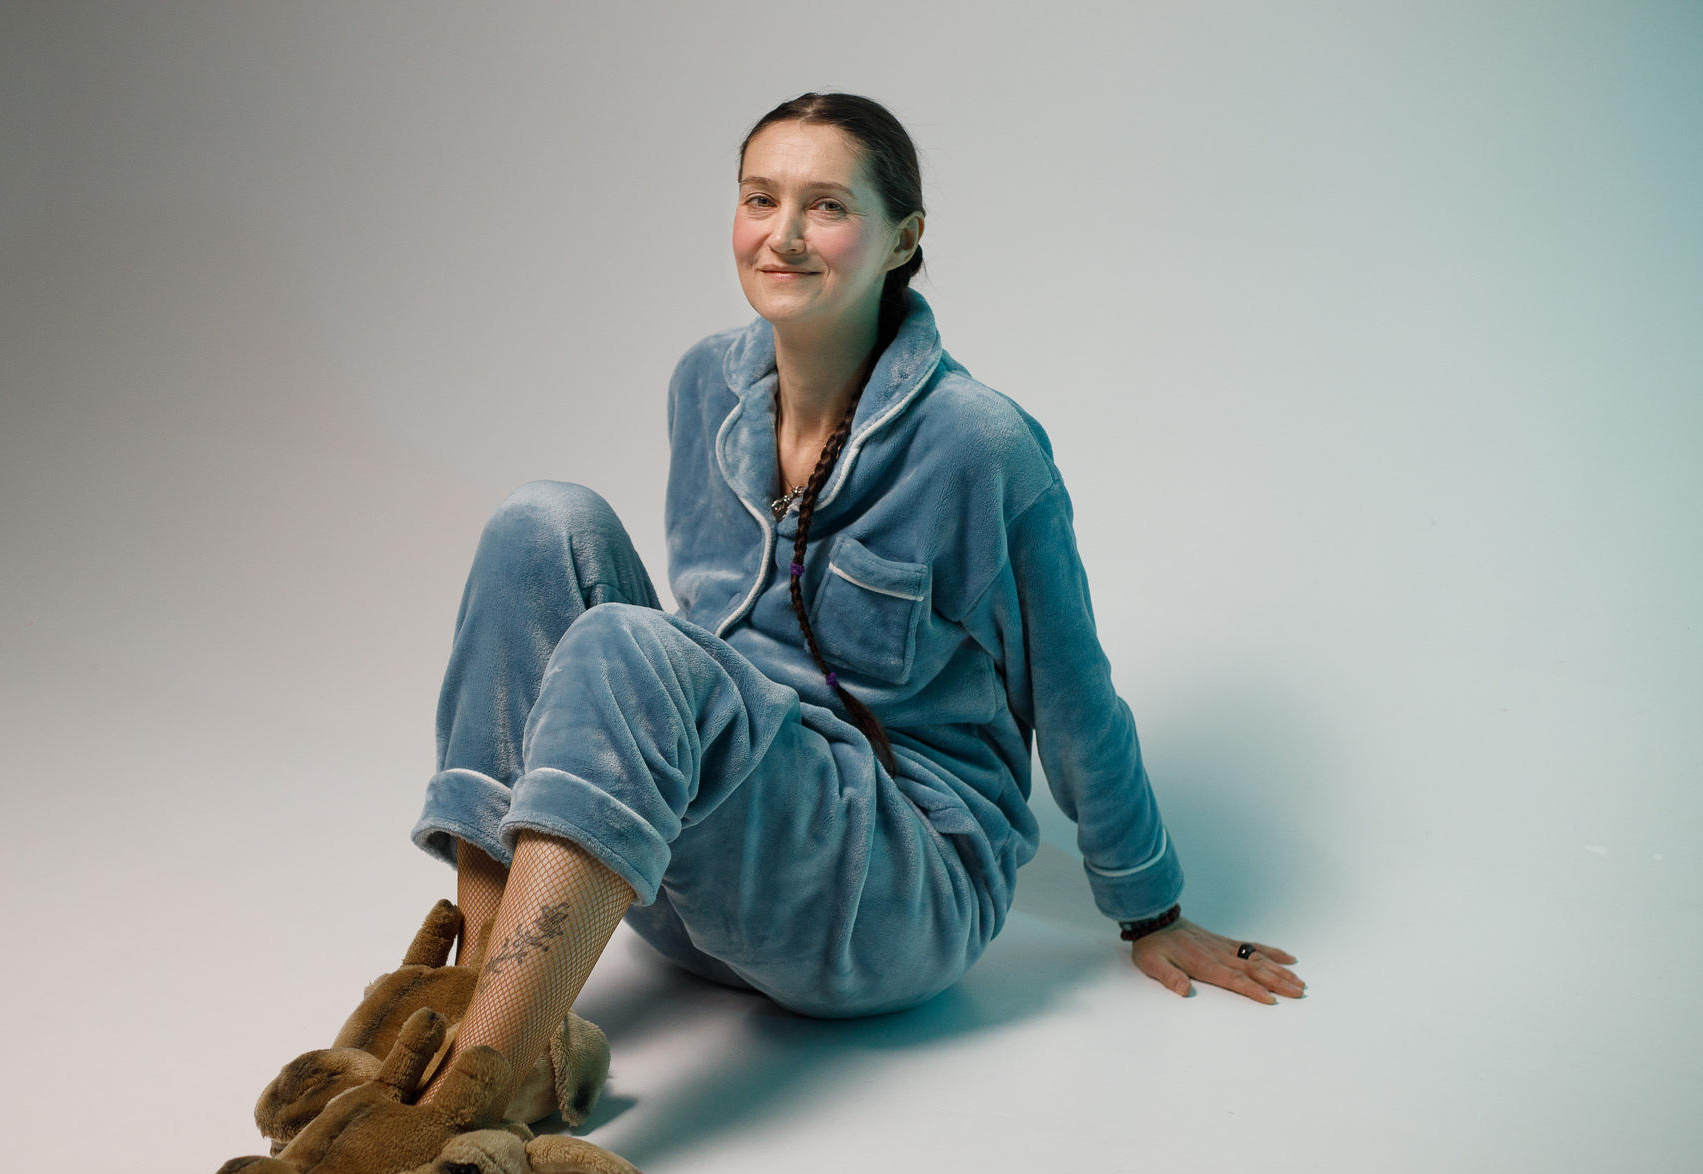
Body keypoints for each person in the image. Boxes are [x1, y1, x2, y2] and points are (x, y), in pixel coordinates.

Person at [413, 92, 1303, 1114]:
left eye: (826, 205)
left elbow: (1072, 696)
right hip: (693, 874)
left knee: (626, 644)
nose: (783, 234)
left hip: (888, 895)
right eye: (760, 198)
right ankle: (463, 1002)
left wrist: (1152, 909)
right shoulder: (703, 383)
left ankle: (463, 1105)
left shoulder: (981, 446)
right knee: (540, 523)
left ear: (902, 239)